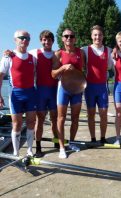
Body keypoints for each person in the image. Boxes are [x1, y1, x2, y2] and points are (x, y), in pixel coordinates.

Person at [0, 30, 36, 156]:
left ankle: (30, 150)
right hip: (16, 94)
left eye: (27, 38)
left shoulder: (33, 58)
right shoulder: (8, 57)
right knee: (17, 123)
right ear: (15, 40)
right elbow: (1, 76)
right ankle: (15, 152)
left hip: (31, 93)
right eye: (21, 38)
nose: (24, 40)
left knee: (32, 122)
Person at [52, 29, 85, 158]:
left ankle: (72, 142)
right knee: (61, 118)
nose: (69, 38)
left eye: (71, 36)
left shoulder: (80, 52)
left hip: (77, 89)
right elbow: (53, 74)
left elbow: (83, 70)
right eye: (66, 36)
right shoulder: (58, 53)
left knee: (75, 118)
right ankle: (61, 147)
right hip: (63, 89)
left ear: (75, 39)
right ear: (62, 38)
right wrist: (63, 67)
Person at [29, 30, 59, 158]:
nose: (46, 42)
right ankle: (38, 147)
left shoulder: (56, 54)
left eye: (49, 39)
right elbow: (20, 54)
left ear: (53, 41)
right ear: (41, 40)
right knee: (40, 120)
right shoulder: (35, 53)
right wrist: (10, 53)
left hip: (53, 90)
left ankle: (56, 142)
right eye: (44, 39)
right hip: (40, 91)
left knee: (54, 119)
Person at [82, 25, 112, 144]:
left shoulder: (108, 50)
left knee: (103, 114)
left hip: (102, 88)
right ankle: (93, 138)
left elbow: (110, 66)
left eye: (99, 35)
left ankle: (103, 138)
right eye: (95, 35)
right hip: (89, 88)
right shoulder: (85, 50)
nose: (97, 37)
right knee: (91, 115)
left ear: (103, 36)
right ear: (91, 36)